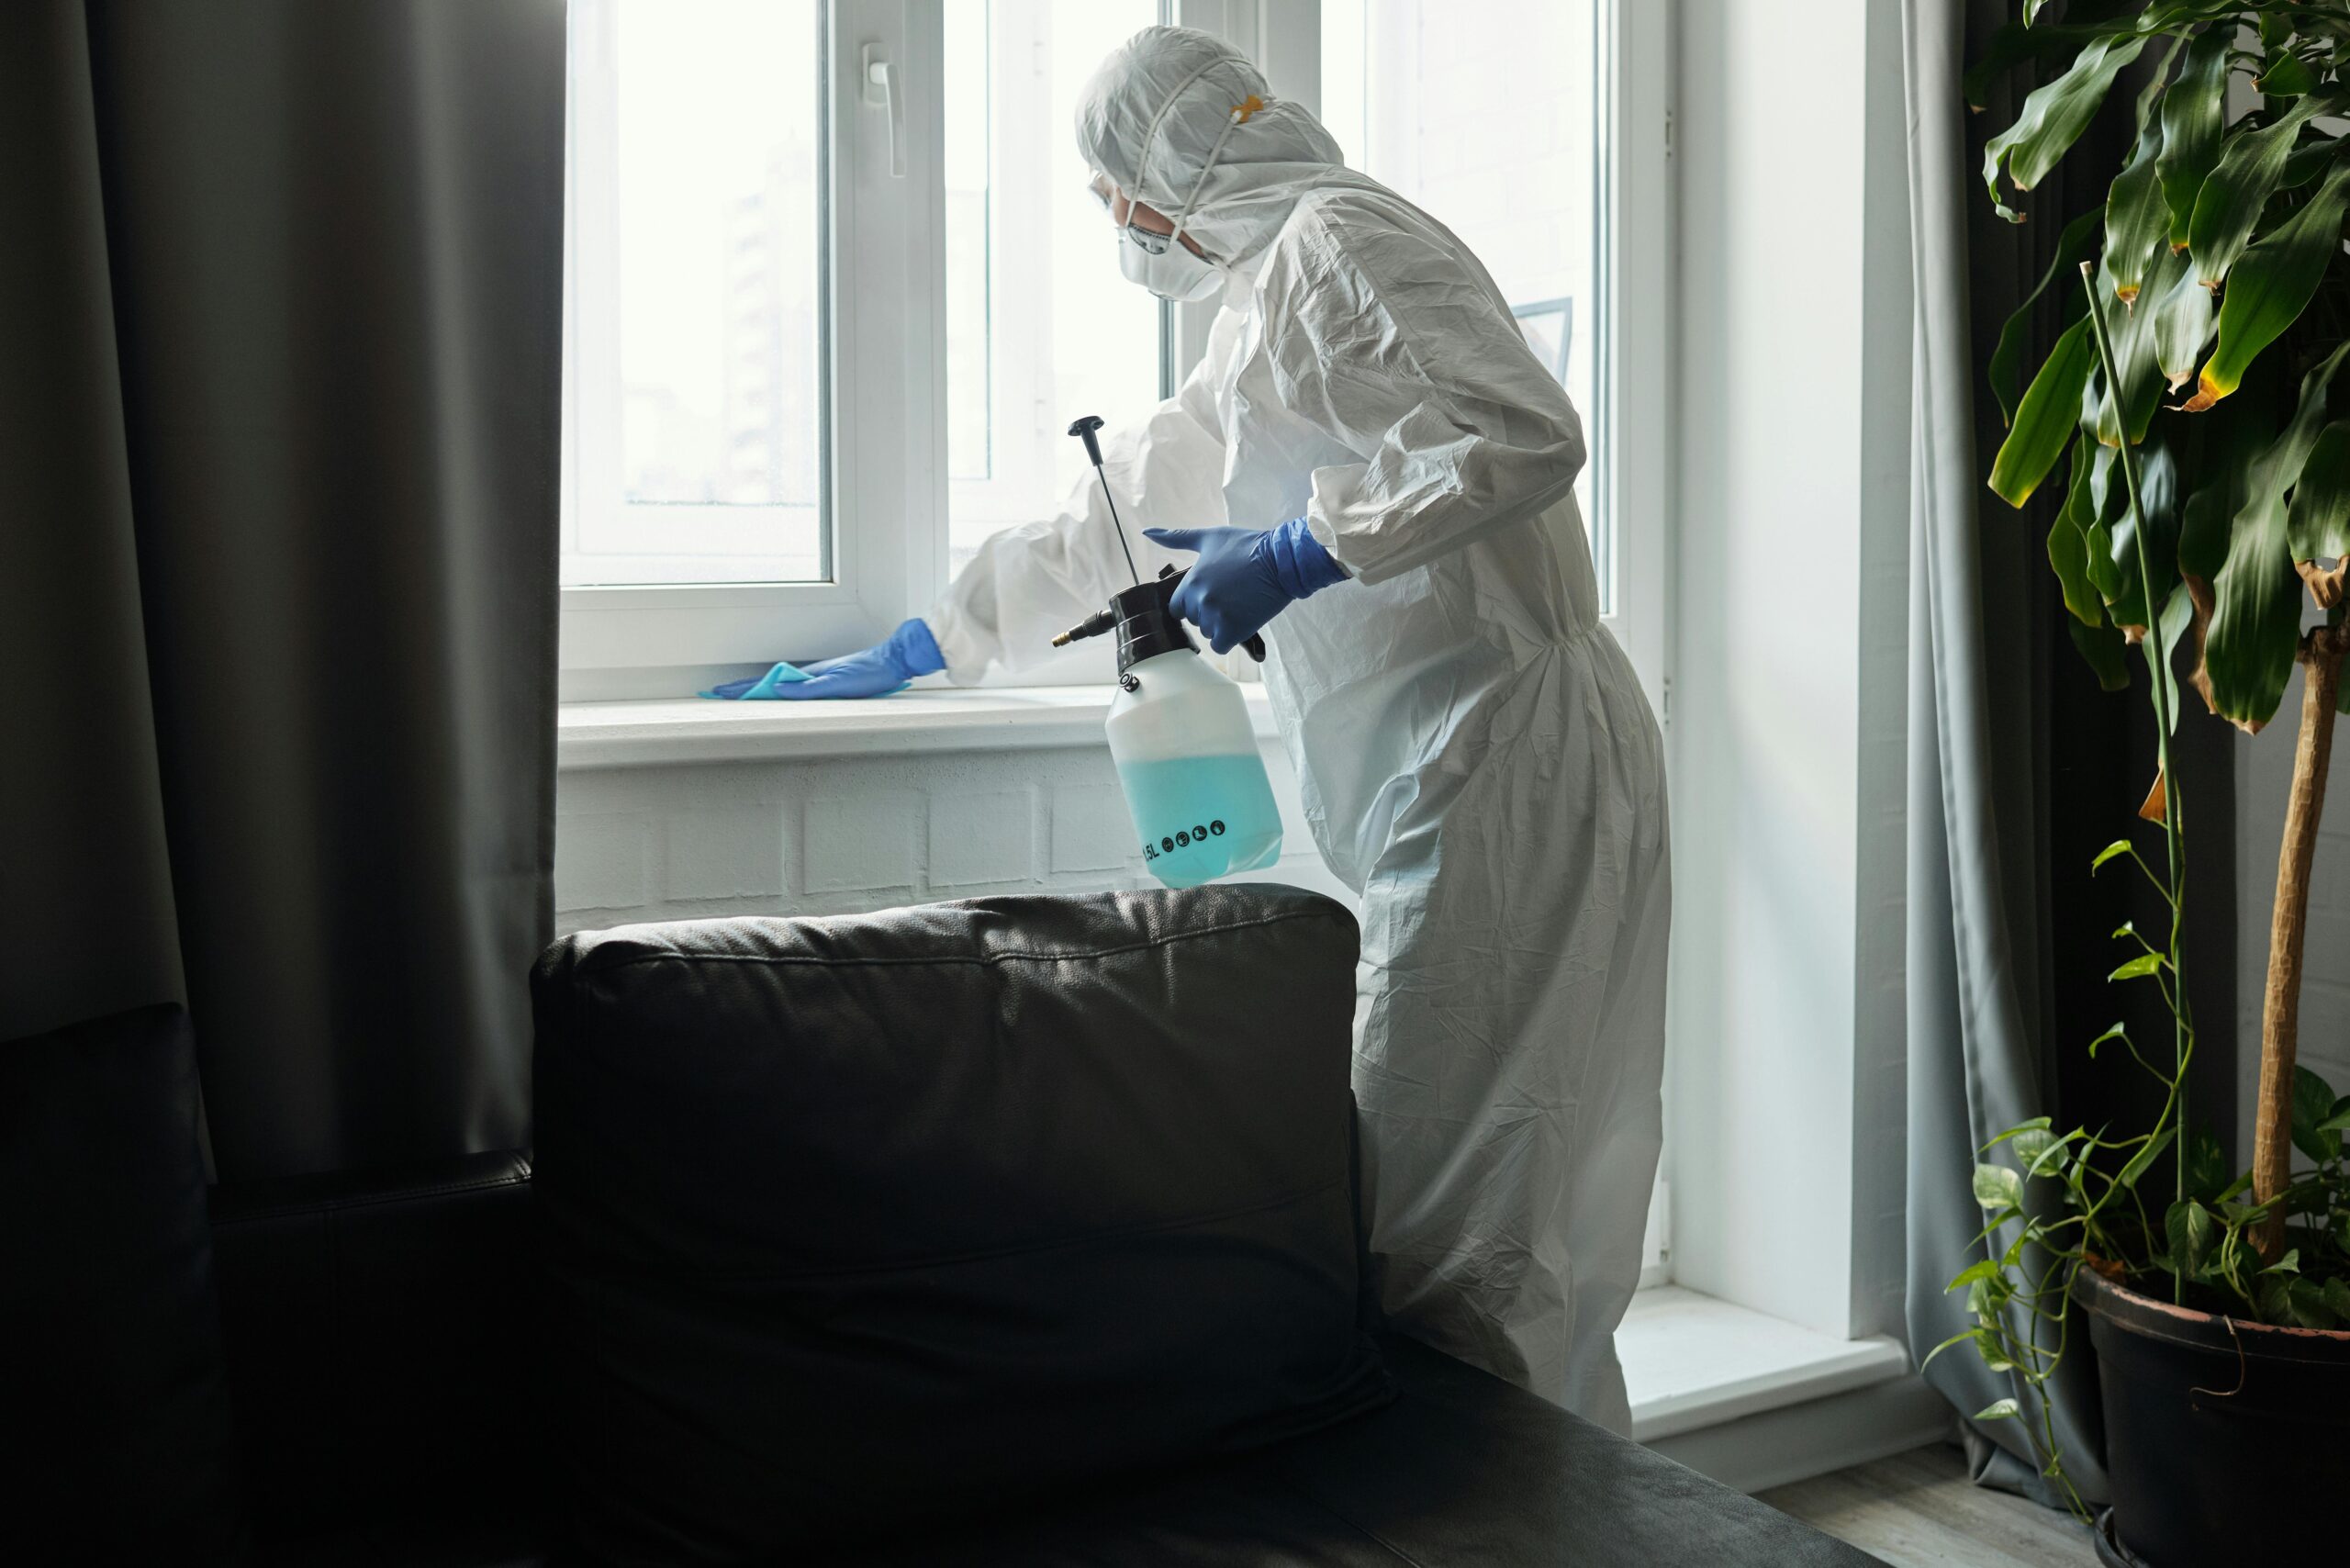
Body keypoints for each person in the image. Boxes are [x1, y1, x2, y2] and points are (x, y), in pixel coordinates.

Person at [712, 25, 1669, 1431]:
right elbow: (1130, 505)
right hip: (1474, 759)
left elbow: (1524, 431)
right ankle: (1570, 1509)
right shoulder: (1268, 301)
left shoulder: (1341, 243)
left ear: (1167, 166)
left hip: (1504, 754)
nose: (1116, 223)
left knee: (1460, 1222)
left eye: (1112, 191)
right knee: (1516, 1201)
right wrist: (931, 640)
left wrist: (1303, 551)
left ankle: (1499, 1517)